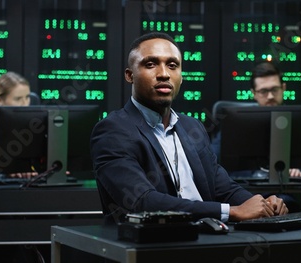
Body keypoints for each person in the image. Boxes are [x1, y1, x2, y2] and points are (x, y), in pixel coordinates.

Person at [90, 32, 288, 224]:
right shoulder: (112, 131)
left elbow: (224, 188)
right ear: (129, 75)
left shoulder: (192, 127)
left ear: (181, 76)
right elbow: (142, 201)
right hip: (150, 245)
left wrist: (263, 204)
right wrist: (232, 211)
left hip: (207, 237)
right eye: (150, 64)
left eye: (172, 65)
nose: (164, 74)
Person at [211, 61, 301, 178]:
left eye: (275, 89)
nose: (270, 96)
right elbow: (212, 159)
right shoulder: (238, 121)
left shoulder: (299, 120)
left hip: (285, 191)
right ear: (254, 93)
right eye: (263, 91)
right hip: (246, 190)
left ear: (283, 88)